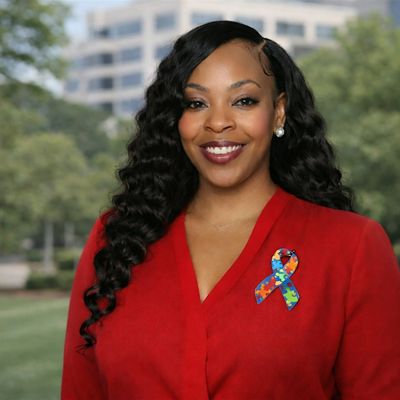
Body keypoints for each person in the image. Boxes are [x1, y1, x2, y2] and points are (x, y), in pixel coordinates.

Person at [61, 21, 400, 399]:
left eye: (244, 101)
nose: (218, 122)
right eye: (196, 103)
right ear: (176, 119)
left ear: (279, 111)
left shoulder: (351, 246)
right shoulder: (118, 239)